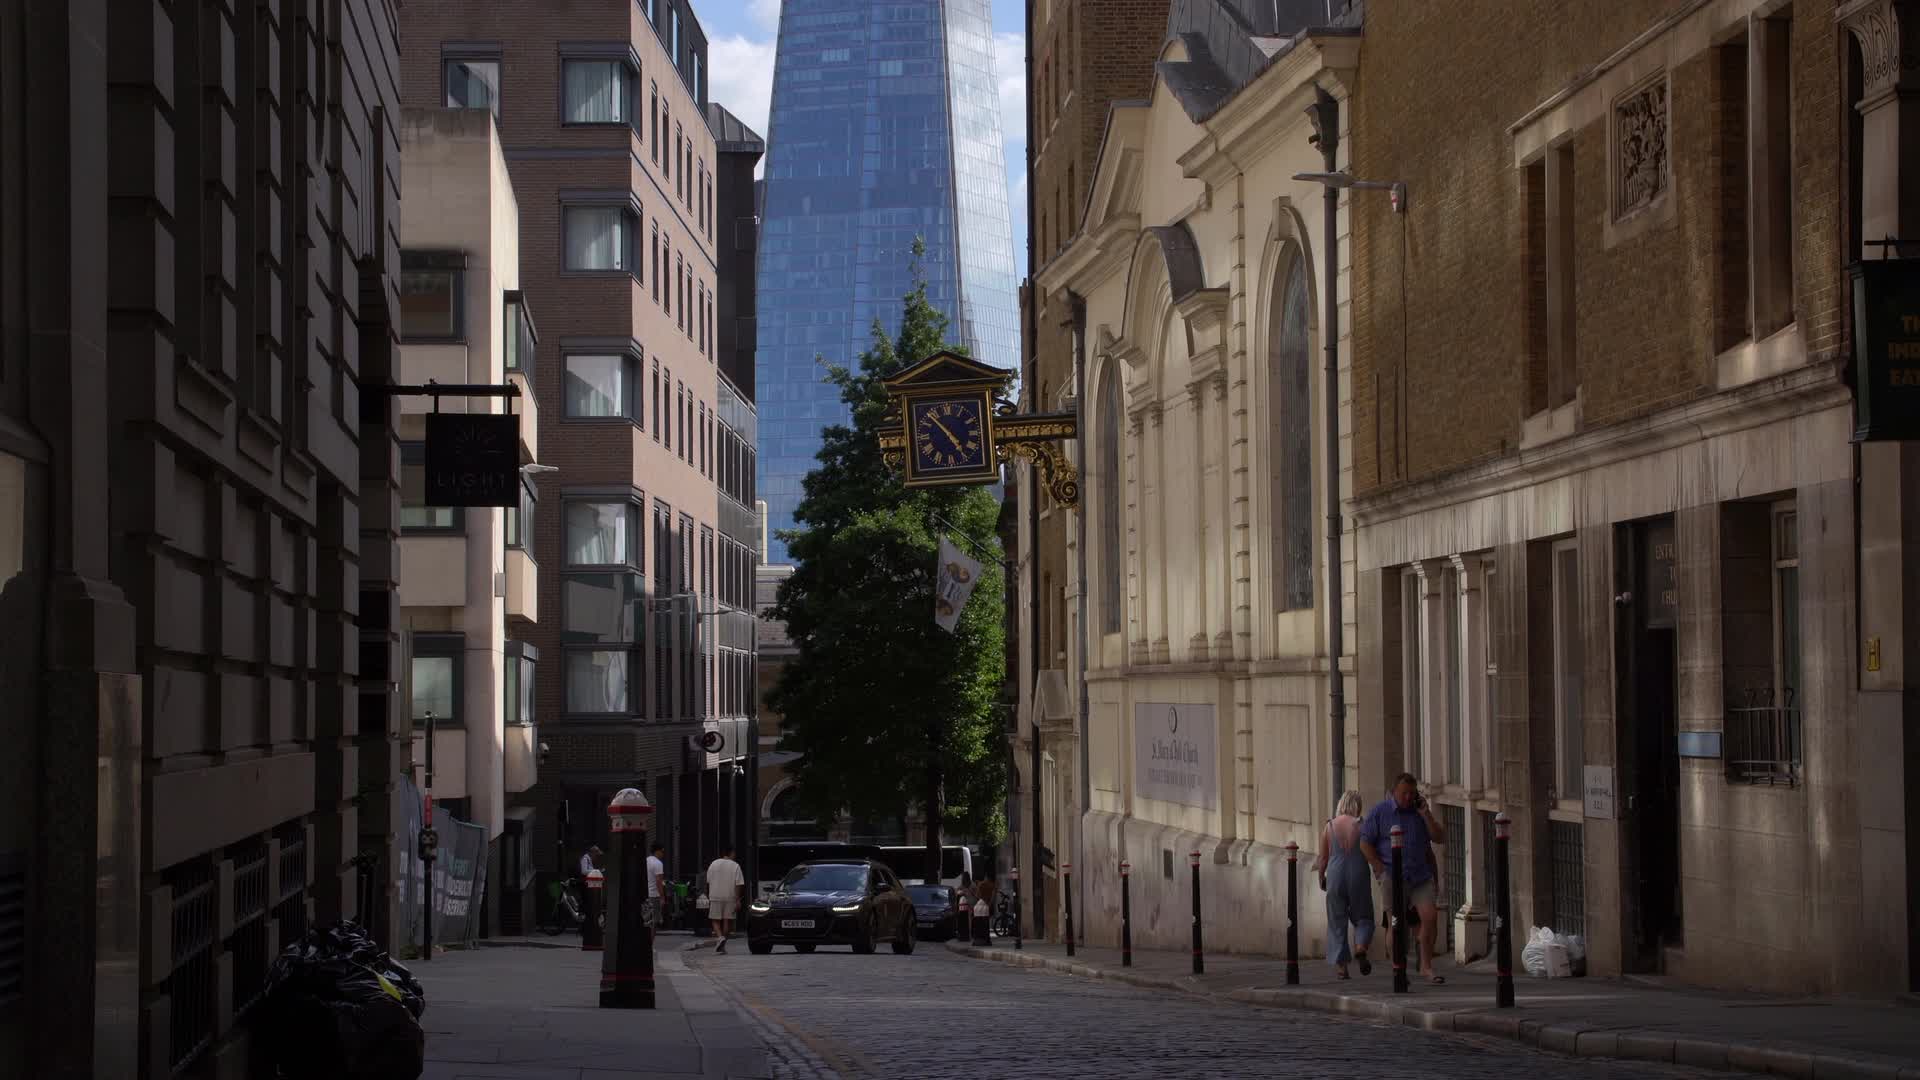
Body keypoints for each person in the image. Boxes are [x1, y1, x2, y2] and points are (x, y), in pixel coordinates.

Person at [1359, 773, 1449, 984]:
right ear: (1394, 793)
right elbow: (1364, 843)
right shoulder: (1380, 812)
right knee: (1395, 923)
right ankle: (1397, 967)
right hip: (1393, 875)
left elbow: (1439, 837)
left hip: (1420, 874)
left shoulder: (1419, 813)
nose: (1408, 798)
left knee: (1430, 917)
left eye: (1412, 793)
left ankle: (1426, 966)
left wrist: (1426, 814)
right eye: (1404, 793)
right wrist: (1380, 869)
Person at [1314, 790, 1375, 979]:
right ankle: (1361, 947)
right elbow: (1369, 849)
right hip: (1358, 871)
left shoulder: (1329, 826)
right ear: (1357, 806)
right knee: (1363, 916)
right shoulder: (1362, 825)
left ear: (1341, 804)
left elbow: (1323, 858)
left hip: (1335, 873)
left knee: (1336, 920)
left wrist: (1321, 878)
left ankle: (1342, 967)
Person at [704, 846, 746, 953]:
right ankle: (723, 944)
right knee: (728, 921)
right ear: (731, 853)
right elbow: (739, 884)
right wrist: (737, 899)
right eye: (734, 853)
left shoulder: (713, 864)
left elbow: (708, 881)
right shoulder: (735, 866)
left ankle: (719, 937)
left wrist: (709, 894)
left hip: (715, 895)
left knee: (715, 919)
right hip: (730, 896)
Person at [647, 844, 668, 929]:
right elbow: (659, 881)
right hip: (655, 895)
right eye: (662, 852)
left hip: (647, 895)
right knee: (654, 922)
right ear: (657, 851)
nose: (663, 854)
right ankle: (651, 941)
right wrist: (662, 897)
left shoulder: (646, 860)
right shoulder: (658, 863)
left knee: (647, 920)